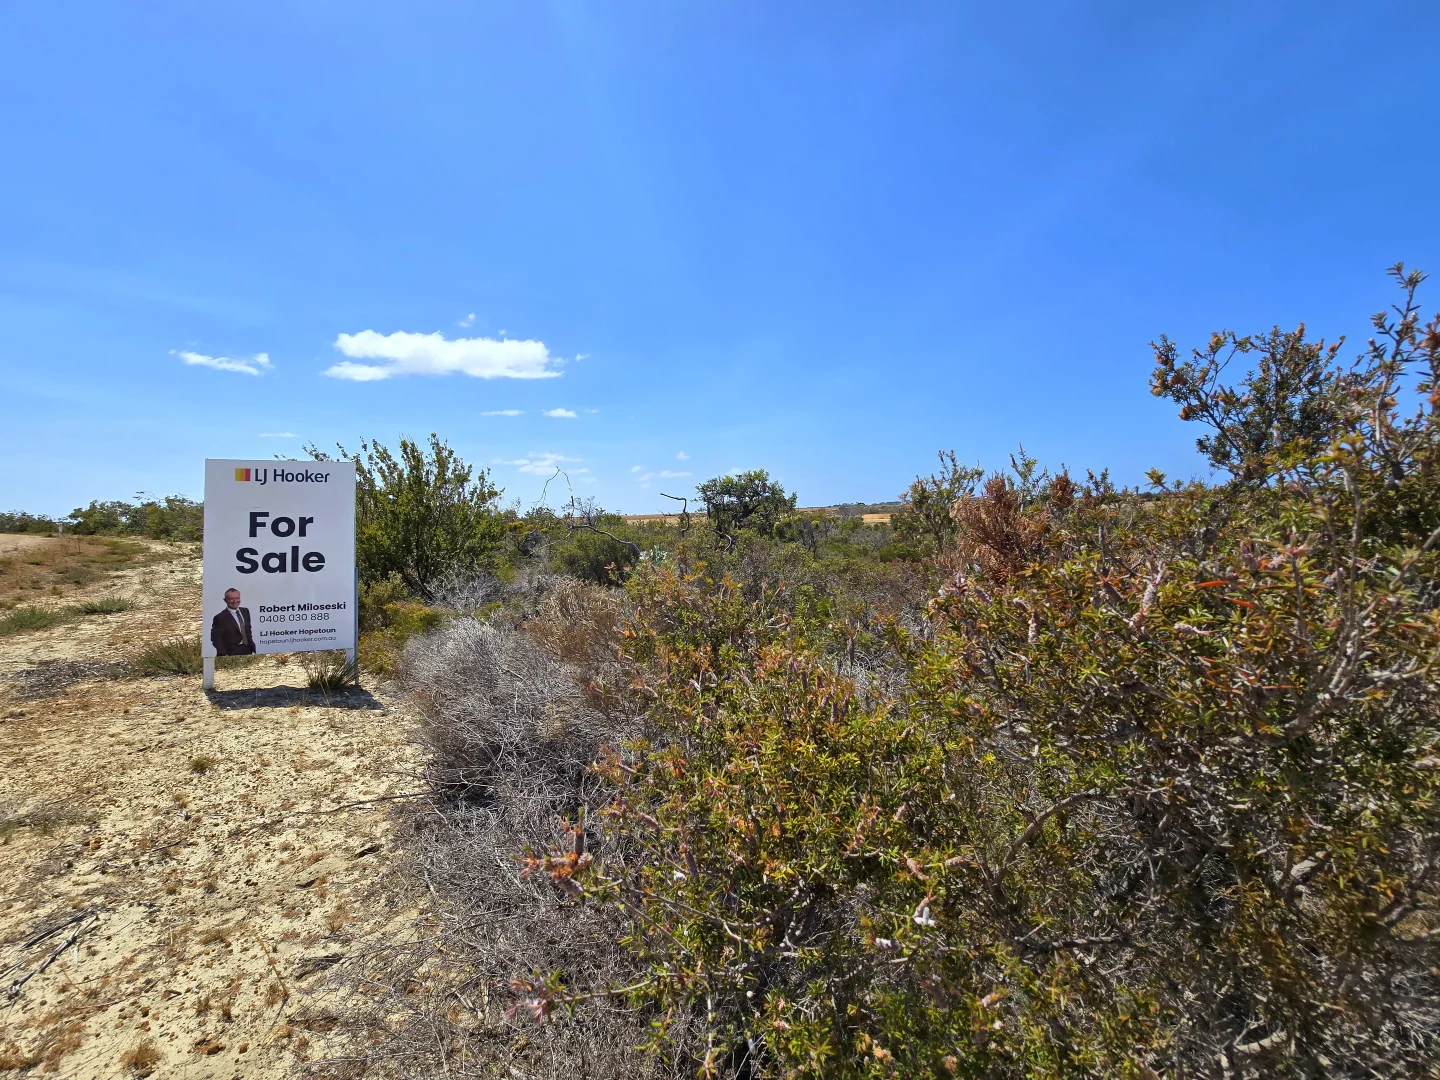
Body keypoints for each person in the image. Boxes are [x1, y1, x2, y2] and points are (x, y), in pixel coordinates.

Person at [210, 587, 256, 656]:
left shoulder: (245, 611)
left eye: (237, 598)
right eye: (231, 599)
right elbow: (216, 638)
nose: (235, 601)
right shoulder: (220, 617)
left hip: (247, 650)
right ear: (225, 600)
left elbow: (248, 630)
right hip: (231, 653)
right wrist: (224, 654)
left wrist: (252, 646)